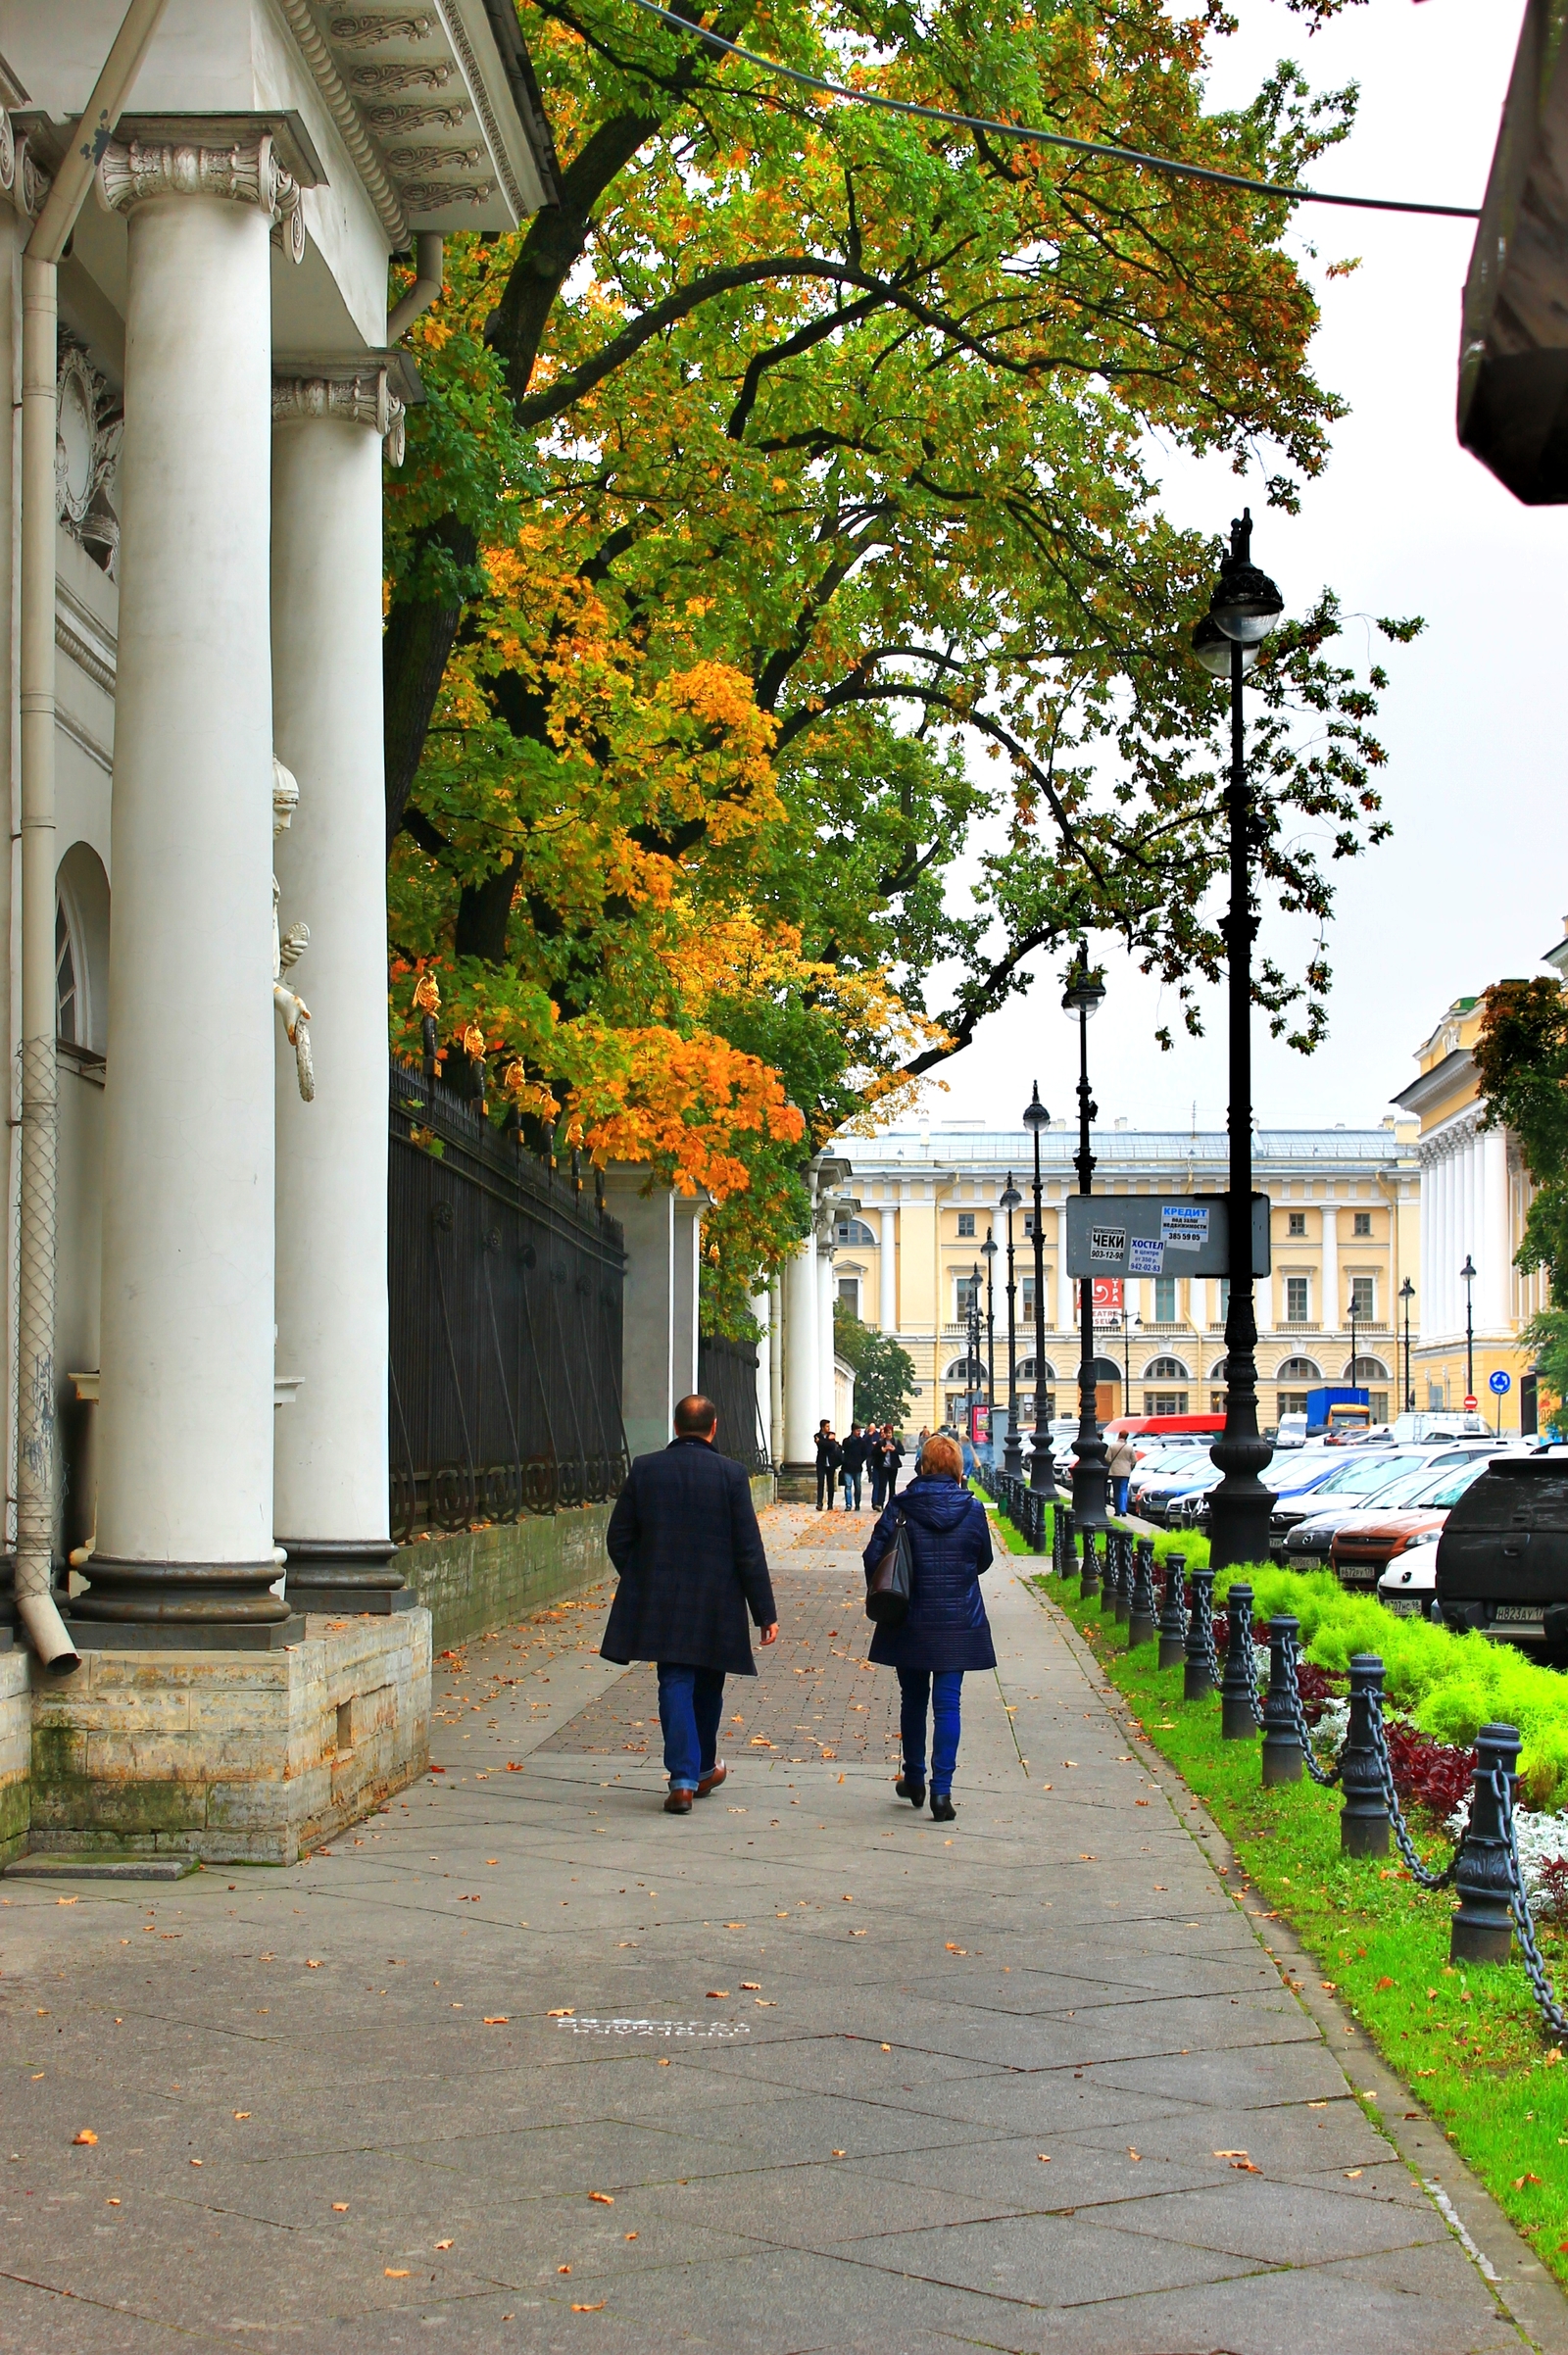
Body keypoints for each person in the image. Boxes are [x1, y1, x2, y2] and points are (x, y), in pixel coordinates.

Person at [602, 1394, 778, 1814]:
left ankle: (686, 1777)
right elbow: (748, 1551)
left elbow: (619, 1538)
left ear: (676, 1428)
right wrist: (765, 1613)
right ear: (713, 1428)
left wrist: (644, 1577)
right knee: (709, 1686)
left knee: (675, 1680)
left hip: (663, 1599)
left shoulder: (646, 1469)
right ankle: (697, 1771)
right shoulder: (732, 1475)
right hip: (717, 1600)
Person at [862, 1432, 994, 1823]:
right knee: (948, 1703)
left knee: (913, 1699)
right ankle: (943, 1792)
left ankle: (915, 1778)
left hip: (910, 1618)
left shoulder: (901, 1507)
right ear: (955, 1468)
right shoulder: (972, 1509)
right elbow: (982, 1559)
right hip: (958, 1619)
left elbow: (874, 1557)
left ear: (922, 1465)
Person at [814, 1421, 842, 1511]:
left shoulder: (832, 1435)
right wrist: (826, 1441)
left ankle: (830, 1503)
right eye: (827, 1426)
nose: (828, 1428)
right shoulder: (817, 1435)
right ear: (822, 1427)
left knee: (830, 1484)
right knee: (821, 1482)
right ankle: (819, 1503)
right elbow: (821, 1446)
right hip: (821, 1462)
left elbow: (831, 1445)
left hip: (831, 1462)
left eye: (829, 1426)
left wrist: (823, 1442)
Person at [1106, 1432, 1136, 1515]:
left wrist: (1112, 1464)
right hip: (1125, 1471)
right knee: (1123, 1490)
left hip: (1115, 1471)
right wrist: (1130, 1468)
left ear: (1119, 1435)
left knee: (1116, 1491)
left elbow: (1107, 1458)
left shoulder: (1112, 1446)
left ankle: (1118, 1510)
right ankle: (1123, 1509)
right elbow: (1134, 1460)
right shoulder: (1129, 1447)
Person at [841, 1422, 868, 1510]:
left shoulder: (862, 1442)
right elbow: (843, 1452)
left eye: (860, 1431)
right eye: (857, 1431)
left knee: (858, 1487)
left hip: (857, 1467)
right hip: (847, 1467)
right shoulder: (846, 1441)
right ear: (853, 1431)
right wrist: (844, 1461)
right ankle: (848, 1504)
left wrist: (860, 1461)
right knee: (848, 1486)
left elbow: (865, 1454)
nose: (859, 1432)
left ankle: (857, 1503)